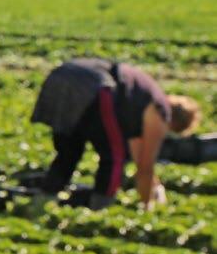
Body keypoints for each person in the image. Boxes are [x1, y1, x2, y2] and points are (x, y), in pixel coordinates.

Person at [32, 58, 200, 210]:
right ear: (175, 124)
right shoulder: (161, 112)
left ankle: (44, 199)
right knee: (114, 156)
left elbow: (139, 158)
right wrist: (147, 205)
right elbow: (145, 168)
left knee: (69, 150)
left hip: (61, 76)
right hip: (96, 87)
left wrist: (154, 185)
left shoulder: (145, 95)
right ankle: (101, 206)